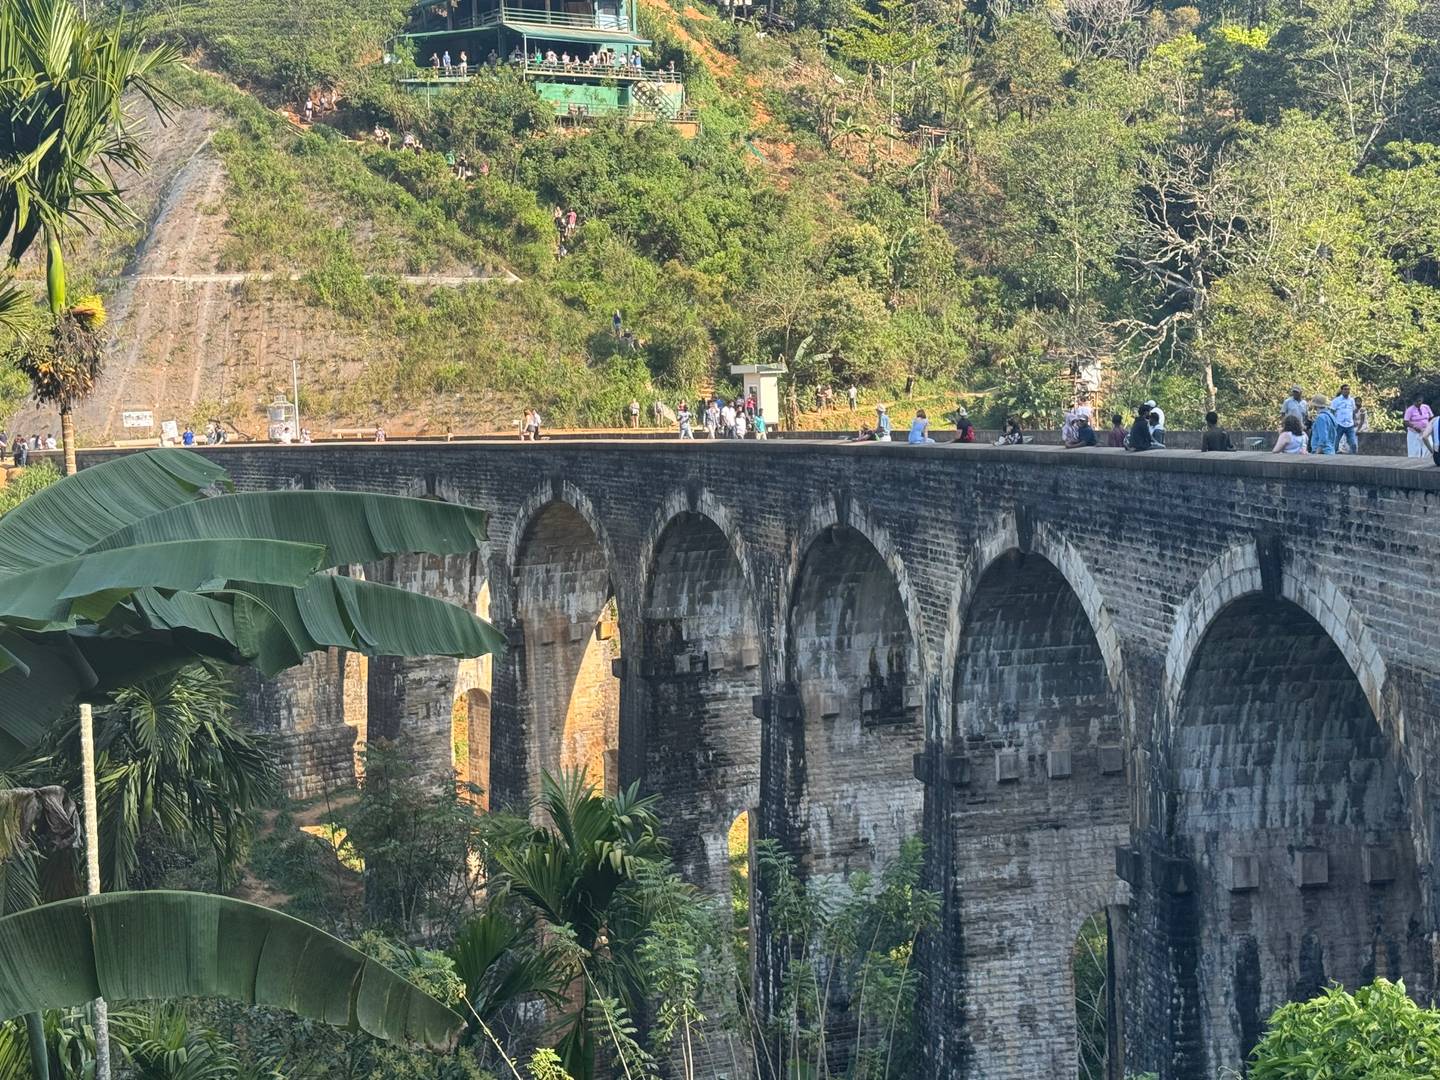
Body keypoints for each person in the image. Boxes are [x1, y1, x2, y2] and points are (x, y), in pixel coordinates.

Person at [1331, 383, 1358, 455]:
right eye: (1345, 389)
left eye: (1348, 389)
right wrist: (1333, 422)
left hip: (1350, 424)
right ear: (1342, 390)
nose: (1347, 391)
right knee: (1336, 442)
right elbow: (1332, 411)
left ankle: (1353, 456)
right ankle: (1332, 455)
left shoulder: (1351, 400)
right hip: (1339, 424)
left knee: (1353, 443)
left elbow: (1353, 411)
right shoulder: (1336, 400)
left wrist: (1355, 420)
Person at [1403, 393, 1433, 458]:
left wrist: (1430, 427)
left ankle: (1426, 461)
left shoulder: (1426, 407)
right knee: (1414, 451)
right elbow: (1405, 422)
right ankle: (1414, 462)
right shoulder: (1409, 410)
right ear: (1413, 401)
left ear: (1422, 400)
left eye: (1420, 401)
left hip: (1425, 431)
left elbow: (1431, 418)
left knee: (1429, 448)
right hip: (1414, 433)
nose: (1418, 403)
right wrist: (1414, 427)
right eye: (1416, 401)